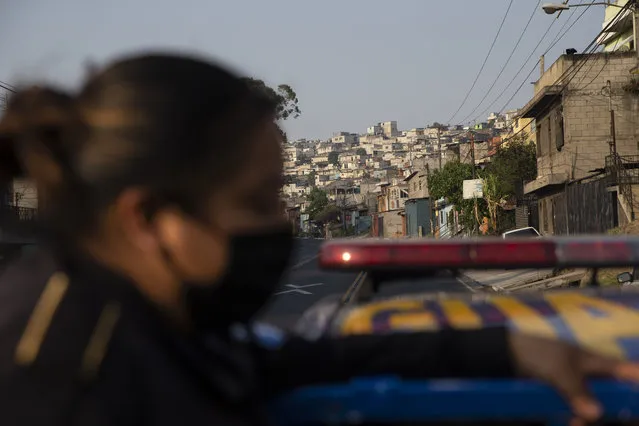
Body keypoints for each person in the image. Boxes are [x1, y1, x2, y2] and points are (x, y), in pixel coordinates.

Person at [0, 53, 635, 426]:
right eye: (255, 203)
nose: (281, 225)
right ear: (148, 219)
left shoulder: (141, 320)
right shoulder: (63, 379)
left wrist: (507, 349)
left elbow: (301, 361)